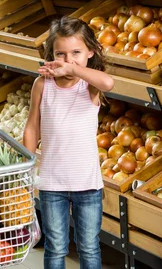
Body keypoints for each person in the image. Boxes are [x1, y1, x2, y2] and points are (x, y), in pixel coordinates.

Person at [23, 16, 114, 269]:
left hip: (87, 183)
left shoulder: (90, 85)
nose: (68, 59)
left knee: (88, 247)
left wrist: (73, 69)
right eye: (60, 54)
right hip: (52, 183)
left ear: (90, 52)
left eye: (76, 52)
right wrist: (27, 166)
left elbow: (109, 83)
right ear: (50, 54)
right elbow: (32, 127)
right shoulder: (42, 84)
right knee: (55, 247)